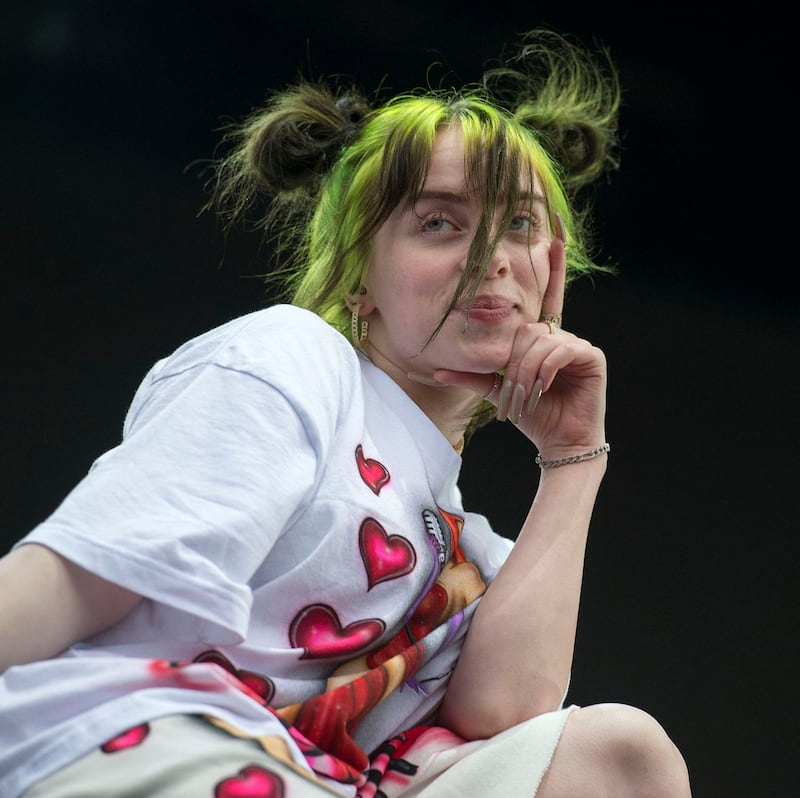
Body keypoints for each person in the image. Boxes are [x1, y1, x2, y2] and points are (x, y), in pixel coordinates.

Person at [0, 27, 691, 797]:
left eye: (521, 225)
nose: (493, 256)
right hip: (145, 748)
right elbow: (81, 574)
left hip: (310, 781)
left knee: (621, 754)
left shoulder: (476, 553)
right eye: (440, 222)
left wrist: (572, 458)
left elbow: (501, 714)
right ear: (358, 275)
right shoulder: (293, 357)